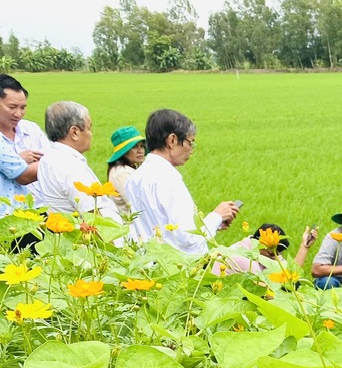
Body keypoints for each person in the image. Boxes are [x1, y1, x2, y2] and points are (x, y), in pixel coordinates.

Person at [127, 108, 239, 255]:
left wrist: (216, 223)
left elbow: (162, 226)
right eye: (190, 142)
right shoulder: (169, 178)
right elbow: (188, 238)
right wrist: (217, 216)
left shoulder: (135, 177)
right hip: (178, 270)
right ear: (172, 140)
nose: (191, 150)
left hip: (148, 265)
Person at [33, 102, 124, 223]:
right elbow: (93, 218)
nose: (91, 134)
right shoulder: (70, 166)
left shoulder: (49, 158)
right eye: (88, 128)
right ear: (74, 132)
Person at [0, 75, 49, 212]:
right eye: (12, 107)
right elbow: (24, 175)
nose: (18, 114)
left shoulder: (31, 129)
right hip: (11, 214)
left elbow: (49, 155)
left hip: (42, 206)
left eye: (22, 107)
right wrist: (60, 159)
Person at [215, 223, 318, 275]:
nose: (276, 257)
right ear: (261, 244)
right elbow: (268, 293)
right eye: (271, 253)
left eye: (278, 253)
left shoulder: (263, 249)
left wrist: (304, 247)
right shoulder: (244, 259)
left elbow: (290, 273)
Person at [106, 125, 146, 212]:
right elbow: (138, 205)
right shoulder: (122, 174)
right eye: (134, 147)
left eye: (142, 146)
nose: (140, 150)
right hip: (129, 224)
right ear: (124, 152)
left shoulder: (127, 169)